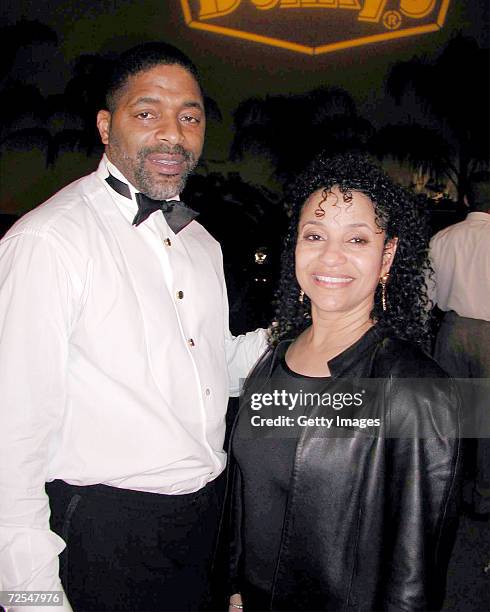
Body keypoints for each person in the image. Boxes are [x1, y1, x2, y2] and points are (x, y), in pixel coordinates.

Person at [0, 42, 266, 612]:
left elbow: (218, 368)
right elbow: (10, 441)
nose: (173, 134)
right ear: (105, 125)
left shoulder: (202, 243)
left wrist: (317, 321)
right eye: (147, 113)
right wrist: (30, 598)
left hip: (203, 522)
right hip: (104, 533)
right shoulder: (48, 241)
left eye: (189, 117)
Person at [226, 152, 461, 611]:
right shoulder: (273, 359)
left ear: (387, 254)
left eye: (356, 239)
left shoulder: (414, 388)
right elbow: (247, 496)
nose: (330, 256)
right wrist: (235, 587)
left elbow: (416, 565)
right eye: (314, 235)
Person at [430, 170, 490, 518]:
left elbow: (426, 293)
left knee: (450, 415)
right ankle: (483, 496)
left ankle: (445, 490)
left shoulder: (443, 238)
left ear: (466, 200)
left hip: (451, 331)